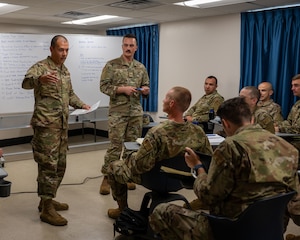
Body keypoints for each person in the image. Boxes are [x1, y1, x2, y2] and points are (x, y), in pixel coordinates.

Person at [149, 97, 299, 240]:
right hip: (272, 229)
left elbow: (208, 196)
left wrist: (198, 167)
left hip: (231, 229)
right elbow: (294, 199)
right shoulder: (289, 148)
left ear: (225, 124)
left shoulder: (230, 147)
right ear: (252, 119)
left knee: (163, 212)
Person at [106, 86, 213, 219]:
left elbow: (141, 165)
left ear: (171, 103)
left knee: (113, 167)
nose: (163, 100)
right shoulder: (198, 132)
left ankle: (122, 211)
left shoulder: (157, 132)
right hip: (182, 181)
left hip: (153, 179)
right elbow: (207, 160)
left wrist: (131, 156)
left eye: (165, 98)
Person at [22, 35, 90, 226]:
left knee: (60, 166)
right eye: (61, 50)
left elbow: (69, 94)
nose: (65, 54)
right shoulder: (40, 67)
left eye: (67, 50)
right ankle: (46, 209)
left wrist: (82, 104)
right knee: (48, 167)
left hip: (62, 127)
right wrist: (39, 79)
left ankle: (47, 201)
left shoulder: (65, 71)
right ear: (52, 49)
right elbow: (25, 83)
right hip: (46, 127)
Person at [99, 33, 150, 195]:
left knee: (131, 148)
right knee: (115, 147)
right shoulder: (111, 65)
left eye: (131, 46)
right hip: (117, 113)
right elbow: (104, 86)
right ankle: (108, 178)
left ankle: (125, 177)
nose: (128, 48)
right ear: (122, 47)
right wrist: (122, 89)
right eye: (125, 45)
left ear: (136, 48)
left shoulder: (140, 67)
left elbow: (146, 86)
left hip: (135, 113)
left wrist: (146, 91)